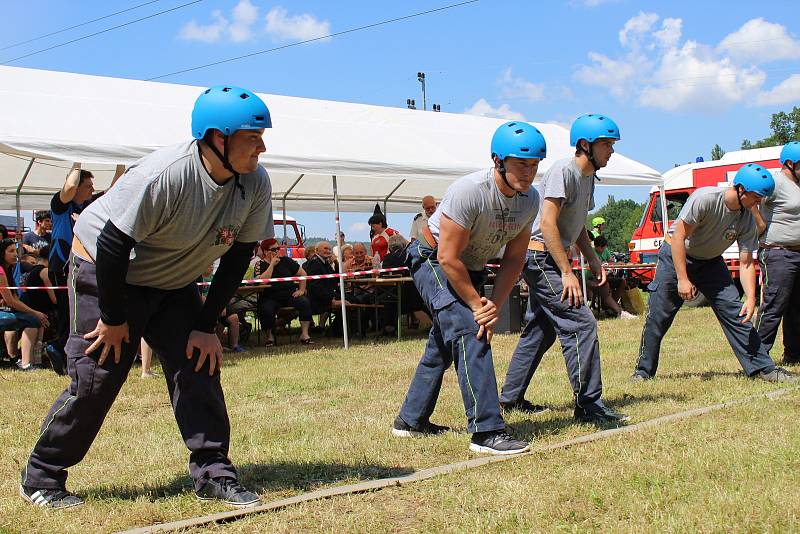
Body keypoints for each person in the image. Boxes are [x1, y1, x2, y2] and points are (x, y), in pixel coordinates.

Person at [21, 85, 273, 509]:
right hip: (106, 268)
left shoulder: (254, 183)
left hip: (172, 282)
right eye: (252, 137)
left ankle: (214, 473)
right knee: (99, 372)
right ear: (217, 137)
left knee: (199, 364)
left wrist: (204, 325)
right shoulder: (165, 175)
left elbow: (238, 256)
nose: (262, 147)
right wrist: (114, 318)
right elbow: (113, 245)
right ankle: (42, 476)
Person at [392, 120, 546, 455]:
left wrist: (493, 305)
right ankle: (486, 431)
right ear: (498, 161)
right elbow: (447, 257)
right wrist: (478, 309)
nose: (529, 172)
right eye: (521, 163)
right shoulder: (470, 191)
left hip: (469, 267)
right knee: (468, 330)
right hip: (432, 257)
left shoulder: (530, 200)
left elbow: (514, 260)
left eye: (534, 165)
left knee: (442, 344)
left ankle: (410, 420)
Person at [500, 114, 629, 425]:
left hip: (551, 257)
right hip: (540, 257)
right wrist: (567, 272)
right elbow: (547, 223)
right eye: (606, 145)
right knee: (582, 323)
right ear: (585, 145)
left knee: (539, 332)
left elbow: (577, 225)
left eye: (612, 145)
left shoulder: (587, 179)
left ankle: (510, 397)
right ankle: (588, 405)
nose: (611, 151)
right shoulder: (563, 171)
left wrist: (592, 258)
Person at [631, 164, 795, 383]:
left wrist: (751, 298)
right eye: (756, 198)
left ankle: (763, 369)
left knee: (737, 313)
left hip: (710, 263)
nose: (758, 204)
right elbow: (678, 237)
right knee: (658, 317)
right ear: (741, 189)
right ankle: (643, 371)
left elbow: (746, 263)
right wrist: (682, 278)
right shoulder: (705, 199)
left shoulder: (747, 218)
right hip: (676, 256)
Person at [754, 142, 800, 365]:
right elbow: (752, 201)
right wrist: (760, 224)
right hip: (778, 253)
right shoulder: (775, 183)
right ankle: (756, 357)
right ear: (790, 164)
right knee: (774, 304)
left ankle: (794, 355)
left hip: (798, 253)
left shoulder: (798, 184)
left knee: (797, 307)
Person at [46, 167, 94, 373]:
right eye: (88, 186)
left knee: (77, 314)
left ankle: (62, 352)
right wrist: (77, 160)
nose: (92, 189)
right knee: (68, 314)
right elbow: (71, 185)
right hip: (61, 266)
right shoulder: (60, 205)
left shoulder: (87, 205)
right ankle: (59, 351)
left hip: (78, 265)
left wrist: (118, 161)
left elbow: (114, 190)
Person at [0, 239, 50, 371]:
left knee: (33, 319)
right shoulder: (0, 271)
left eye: (15, 251)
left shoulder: (8, 270)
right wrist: (35, 313)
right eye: (10, 251)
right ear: (2, 254)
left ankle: (27, 360)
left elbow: (14, 298)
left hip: (5, 310)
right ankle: (26, 363)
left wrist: (33, 312)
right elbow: (11, 301)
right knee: (33, 320)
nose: (15, 254)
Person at [254, 238, 314, 346]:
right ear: (265, 251)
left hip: (289, 294)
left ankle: (304, 334)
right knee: (265, 308)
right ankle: (269, 337)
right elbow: (261, 281)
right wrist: (271, 265)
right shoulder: (260, 264)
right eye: (273, 249)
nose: (277, 251)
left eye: (278, 248)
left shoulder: (286, 261)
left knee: (304, 302)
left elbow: (303, 274)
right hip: (269, 296)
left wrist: (301, 289)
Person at [587, 236, 636, 319]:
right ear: (597, 246)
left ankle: (610, 306)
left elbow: (610, 261)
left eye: (605, 248)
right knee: (607, 285)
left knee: (622, 282)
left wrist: (617, 263)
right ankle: (611, 307)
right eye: (602, 248)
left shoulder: (605, 250)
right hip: (595, 277)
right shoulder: (591, 253)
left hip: (606, 276)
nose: (603, 250)